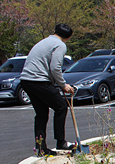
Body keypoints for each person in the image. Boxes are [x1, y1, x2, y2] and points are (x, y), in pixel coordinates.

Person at [20, 23, 76, 156]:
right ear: (68, 37)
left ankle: (41, 148)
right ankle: (61, 142)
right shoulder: (60, 45)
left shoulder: (44, 41)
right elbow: (55, 67)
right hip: (39, 81)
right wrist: (63, 85)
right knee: (61, 106)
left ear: (54, 31)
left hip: (26, 81)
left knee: (41, 114)